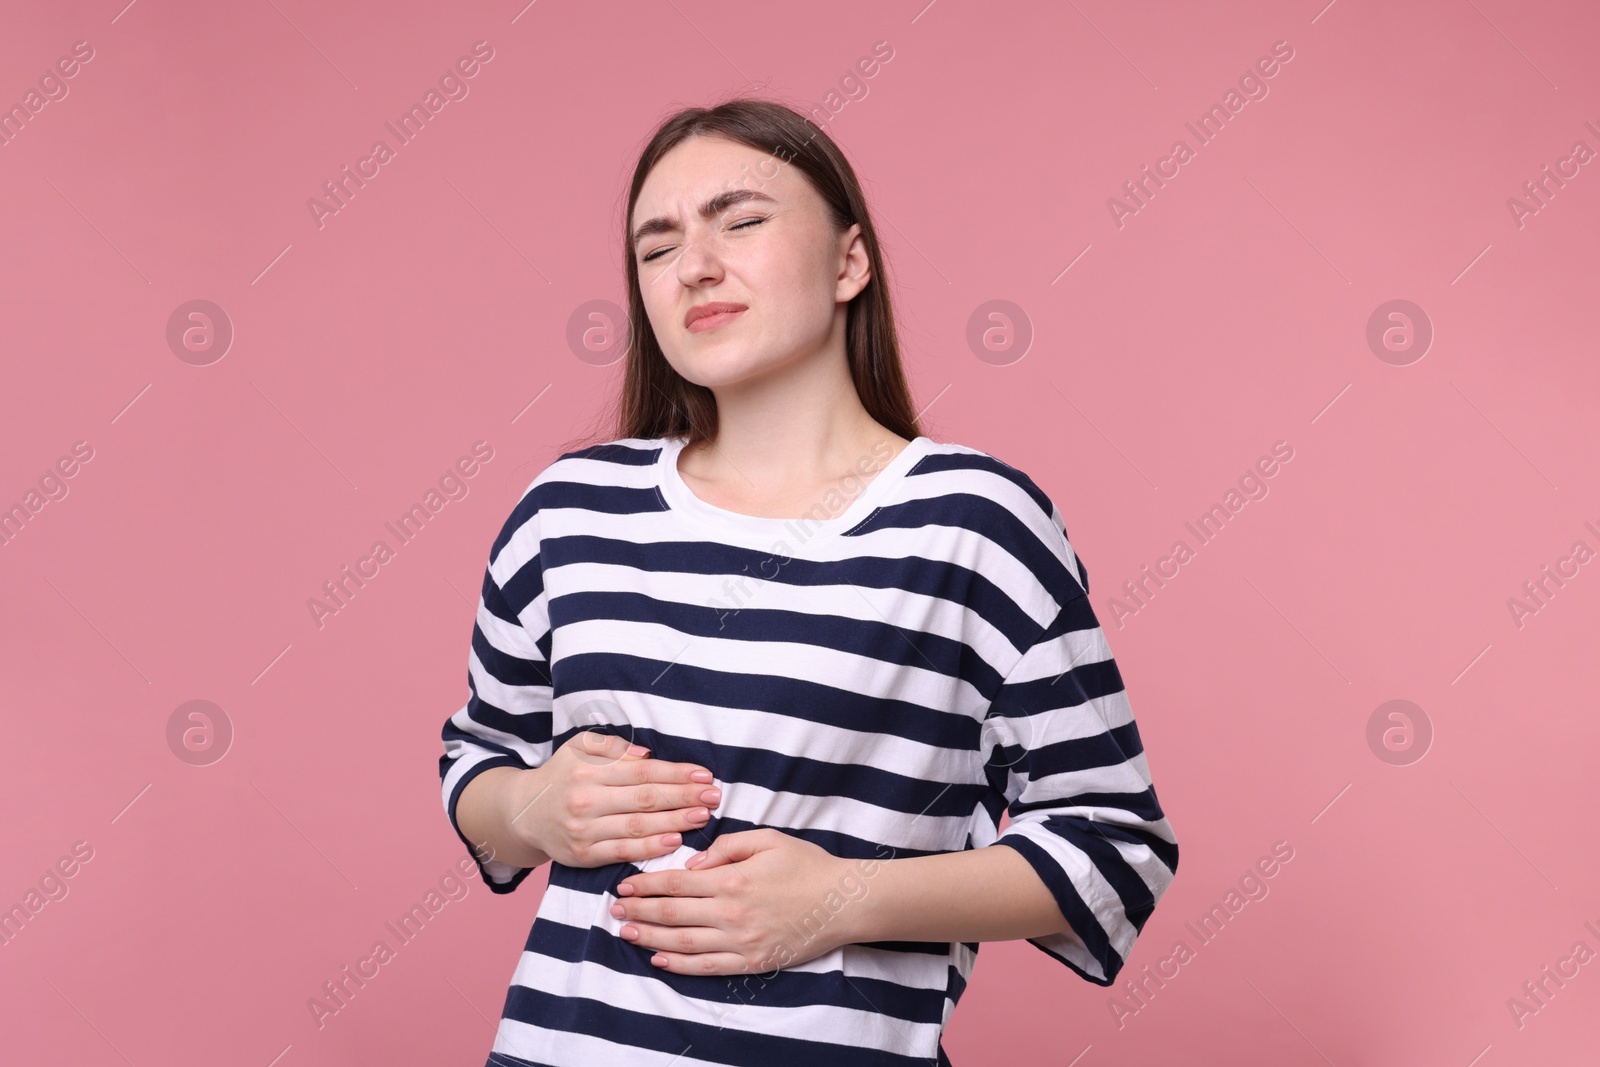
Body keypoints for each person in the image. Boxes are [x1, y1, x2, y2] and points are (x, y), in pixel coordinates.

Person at [438, 96, 1179, 1067]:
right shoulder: (567, 511)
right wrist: (527, 807)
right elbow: (480, 751)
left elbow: (1113, 842)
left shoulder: (972, 522)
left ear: (849, 261)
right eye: (655, 248)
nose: (694, 264)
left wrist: (844, 898)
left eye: (740, 221)